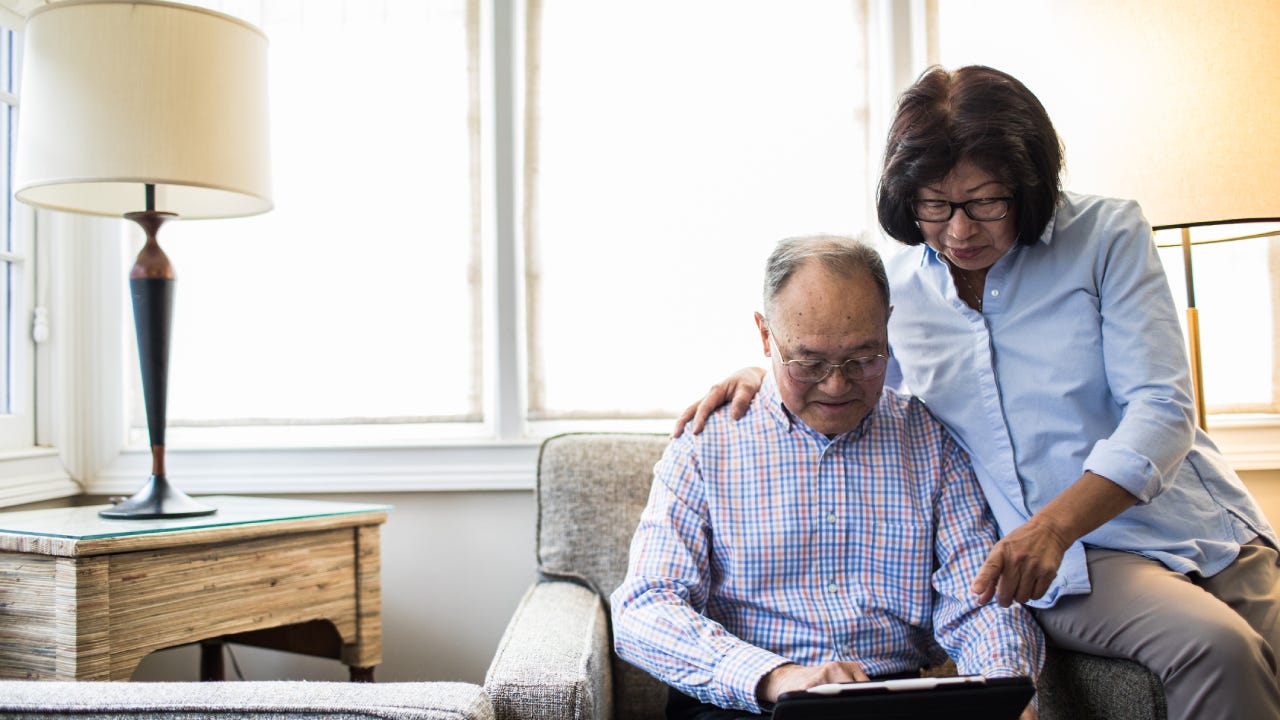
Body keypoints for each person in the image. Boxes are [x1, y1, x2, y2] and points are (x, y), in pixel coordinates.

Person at [674, 65, 1280, 720]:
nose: (959, 230)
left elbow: (1162, 409)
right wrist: (767, 373)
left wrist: (1051, 526)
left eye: (986, 201)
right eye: (934, 205)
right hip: (1073, 562)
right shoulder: (898, 287)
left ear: (1030, 185)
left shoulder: (1106, 236)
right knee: (1219, 648)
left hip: (1187, 519)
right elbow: (852, 384)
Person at [612, 234, 1044, 720]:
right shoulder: (706, 445)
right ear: (764, 336)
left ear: (888, 328)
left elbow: (979, 601)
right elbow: (644, 609)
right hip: (747, 699)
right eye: (809, 362)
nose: (837, 385)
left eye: (863, 359)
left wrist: (1007, 685)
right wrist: (779, 677)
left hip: (891, 699)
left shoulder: (930, 442)